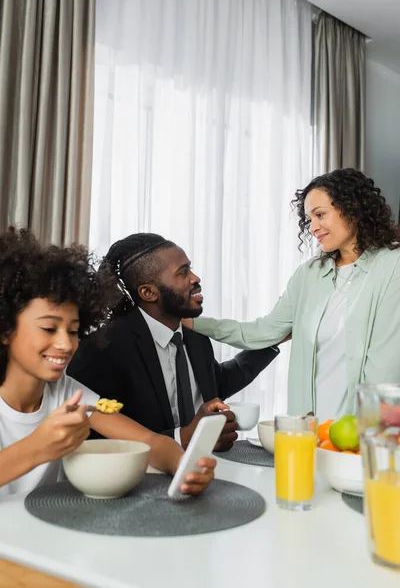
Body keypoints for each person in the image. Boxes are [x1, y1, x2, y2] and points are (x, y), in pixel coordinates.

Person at [0, 228, 215, 498]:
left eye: (73, 331)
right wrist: (38, 447)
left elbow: (150, 442)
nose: (66, 345)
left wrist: (185, 466)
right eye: (48, 329)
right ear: (6, 330)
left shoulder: (68, 393)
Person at [183, 168, 400, 421]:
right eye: (309, 219)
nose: (313, 227)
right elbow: (264, 332)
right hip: (307, 431)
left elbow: (383, 370)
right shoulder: (308, 274)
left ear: (353, 206)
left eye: (320, 215)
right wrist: (193, 323)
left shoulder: (393, 266)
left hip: (361, 433)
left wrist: (358, 438)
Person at [68, 233, 280, 450]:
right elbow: (92, 436)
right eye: (183, 272)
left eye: (190, 268)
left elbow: (216, 382)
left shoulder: (194, 334)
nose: (195, 278)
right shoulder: (104, 348)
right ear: (149, 292)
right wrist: (183, 437)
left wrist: (274, 338)